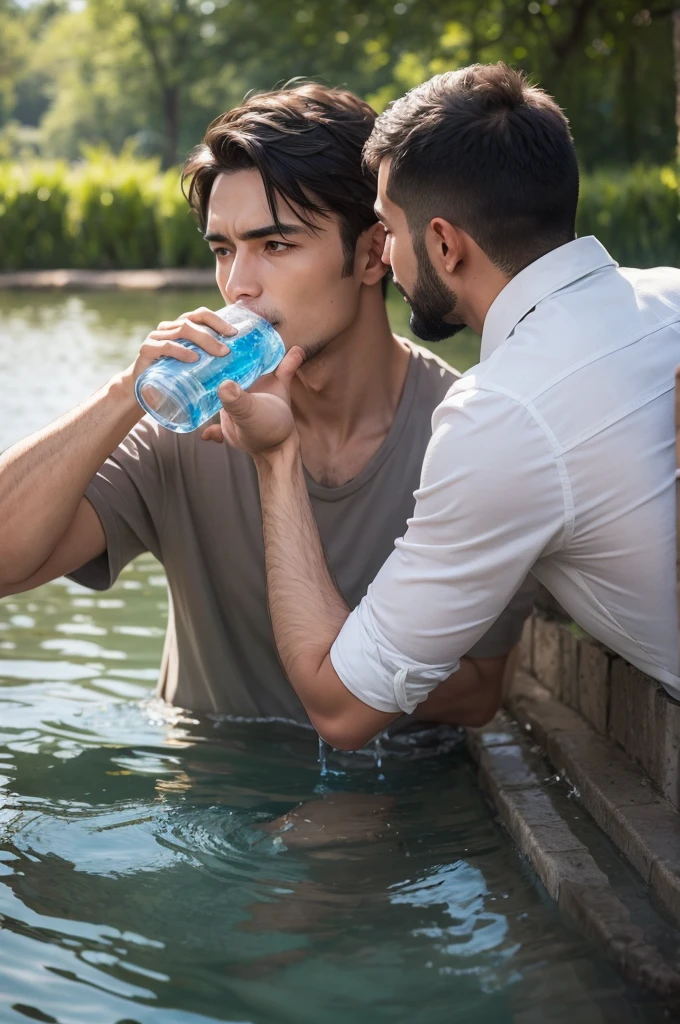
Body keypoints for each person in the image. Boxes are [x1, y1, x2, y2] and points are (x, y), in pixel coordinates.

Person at [0, 83, 534, 734]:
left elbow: (479, 692)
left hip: (390, 796)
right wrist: (123, 395)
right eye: (223, 249)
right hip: (197, 794)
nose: (238, 284)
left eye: (274, 245)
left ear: (372, 253)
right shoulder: (189, 422)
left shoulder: (464, 431)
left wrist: (340, 676)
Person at [207, 64, 680, 750]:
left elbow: (340, 710)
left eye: (387, 231)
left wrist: (277, 457)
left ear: (445, 245)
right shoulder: (668, 297)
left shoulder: (504, 413)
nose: (385, 259)